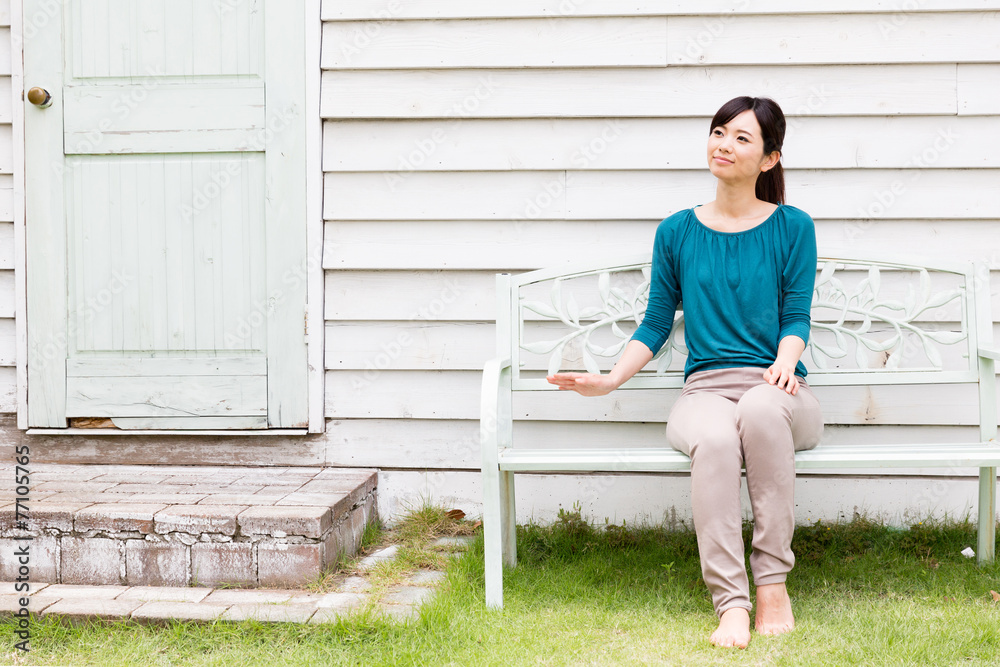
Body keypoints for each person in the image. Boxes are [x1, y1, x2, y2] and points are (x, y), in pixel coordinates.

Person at [547, 96, 824, 649]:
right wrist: (608, 380)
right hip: (705, 394)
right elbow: (655, 322)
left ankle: (772, 581)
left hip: (777, 387)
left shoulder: (793, 226)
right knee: (718, 439)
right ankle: (731, 604)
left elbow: (796, 313)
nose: (724, 144)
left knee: (761, 407)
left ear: (770, 158)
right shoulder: (677, 231)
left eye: (742, 138)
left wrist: (784, 363)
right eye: (719, 132)